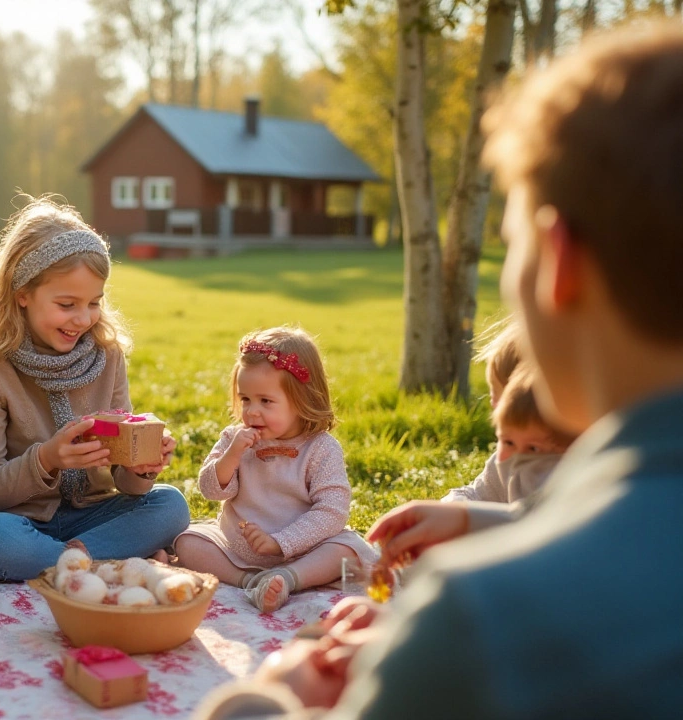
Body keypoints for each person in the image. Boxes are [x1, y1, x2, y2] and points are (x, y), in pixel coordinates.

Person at [197, 23, 683, 718]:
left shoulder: (476, 619)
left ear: (558, 261)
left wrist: (278, 693)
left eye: (509, 244)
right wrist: (473, 521)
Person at [0, 197, 189, 581]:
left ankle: (74, 562)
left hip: (89, 516)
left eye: (94, 303)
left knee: (171, 505)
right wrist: (48, 459)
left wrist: (142, 467)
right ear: (22, 294)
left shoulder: (107, 358)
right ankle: (107, 561)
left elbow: (127, 484)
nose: (83, 318)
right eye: (67, 304)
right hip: (14, 519)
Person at [174, 327, 376, 613]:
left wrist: (281, 543)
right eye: (245, 399)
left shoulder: (320, 448)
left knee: (348, 552)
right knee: (188, 542)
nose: (252, 411)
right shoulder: (235, 439)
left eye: (265, 401)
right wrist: (231, 457)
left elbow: (332, 511)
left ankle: (287, 578)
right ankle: (252, 581)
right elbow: (210, 490)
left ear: (302, 400)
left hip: (305, 550)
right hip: (238, 548)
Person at [443, 365, 573, 503]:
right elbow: (475, 493)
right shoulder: (501, 466)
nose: (517, 456)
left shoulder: (565, 477)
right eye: (508, 442)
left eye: (533, 448)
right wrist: (454, 504)